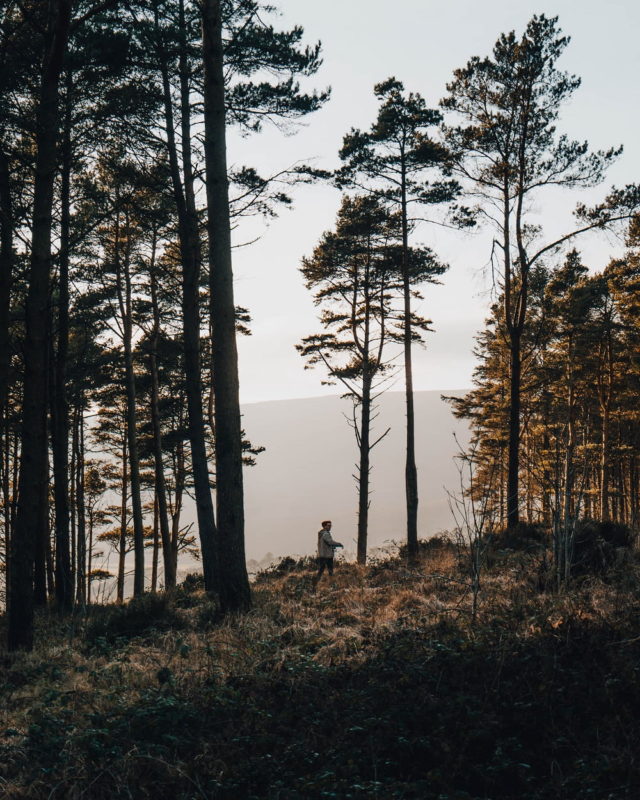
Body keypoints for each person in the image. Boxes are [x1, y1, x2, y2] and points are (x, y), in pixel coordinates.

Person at [313, 520, 343, 586]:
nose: (330, 527)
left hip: (322, 555)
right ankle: (331, 585)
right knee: (330, 571)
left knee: (321, 570)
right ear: (324, 526)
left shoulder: (321, 533)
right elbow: (330, 542)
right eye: (328, 525)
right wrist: (339, 544)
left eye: (330, 525)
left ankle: (315, 584)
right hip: (327, 556)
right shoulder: (325, 534)